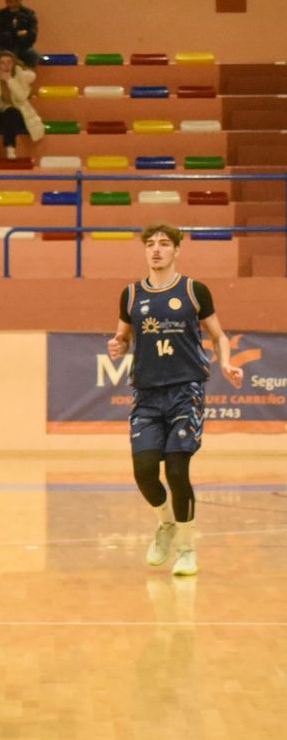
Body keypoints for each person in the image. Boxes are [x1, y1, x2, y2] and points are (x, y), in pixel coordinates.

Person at [107, 225, 243, 576]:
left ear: (176, 250)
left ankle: (186, 548)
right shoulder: (131, 294)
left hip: (186, 391)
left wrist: (226, 362)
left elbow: (219, 335)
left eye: (164, 244)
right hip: (147, 394)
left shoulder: (194, 291)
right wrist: (118, 345)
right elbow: (122, 335)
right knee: (145, 472)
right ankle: (166, 523)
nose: (156, 250)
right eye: (150, 244)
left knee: (178, 469)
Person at [0, 49, 43, 160]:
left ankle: (10, 149)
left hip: (19, 115)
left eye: (9, 62)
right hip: (0, 114)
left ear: (14, 63)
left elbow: (22, 97)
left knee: (11, 112)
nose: (6, 65)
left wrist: (9, 80)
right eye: (2, 63)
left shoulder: (20, 76)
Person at [0, 0, 39, 68]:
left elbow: (33, 35)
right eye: (10, 0)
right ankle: (2, 77)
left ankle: (25, 76)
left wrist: (16, 36)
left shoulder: (29, 14)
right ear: (6, 0)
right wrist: (17, 34)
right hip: (5, 47)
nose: (13, 3)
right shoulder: (0, 15)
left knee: (34, 55)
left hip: (24, 47)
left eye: (16, 0)